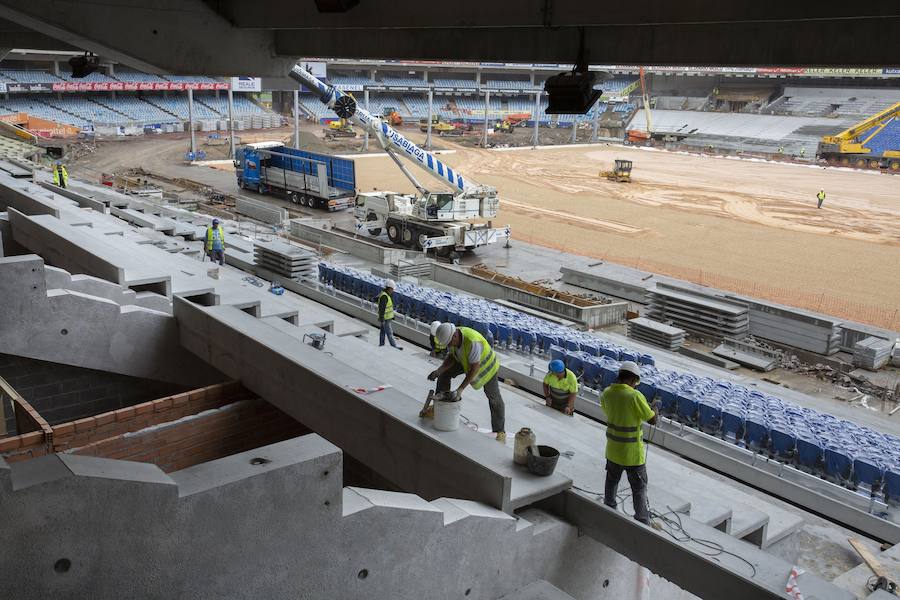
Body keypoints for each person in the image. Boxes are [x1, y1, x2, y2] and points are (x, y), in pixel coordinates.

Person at [601, 361, 657, 525]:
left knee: (611, 481)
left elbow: (609, 411)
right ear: (634, 380)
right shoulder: (635, 396)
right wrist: (654, 408)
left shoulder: (607, 393)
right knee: (639, 488)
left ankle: (609, 509)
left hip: (613, 450)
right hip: (632, 454)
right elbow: (652, 420)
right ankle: (642, 519)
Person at [428, 322, 505, 442]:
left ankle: (500, 431)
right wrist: (439, 371)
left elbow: (474, 369)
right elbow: (452, 357)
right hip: (467, 362)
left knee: (494, 398)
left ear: (454, 337)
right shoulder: (453, 335)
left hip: (486, 367)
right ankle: (439, 406)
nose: (449, 345)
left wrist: (460, 390)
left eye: (449, 343)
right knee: (444, 374)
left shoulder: (472, 342)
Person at [377, 280, 403, 350]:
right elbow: (382, 309)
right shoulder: (384, 297)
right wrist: (382, 319)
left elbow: (388, 308)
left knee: (383, 332)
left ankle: (381, 345)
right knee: (390, 333)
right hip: (385, 319)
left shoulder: (385, 295)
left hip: (386, 318)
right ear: (389, 288)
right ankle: (394, 346)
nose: (393, 291)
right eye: (392, 289)